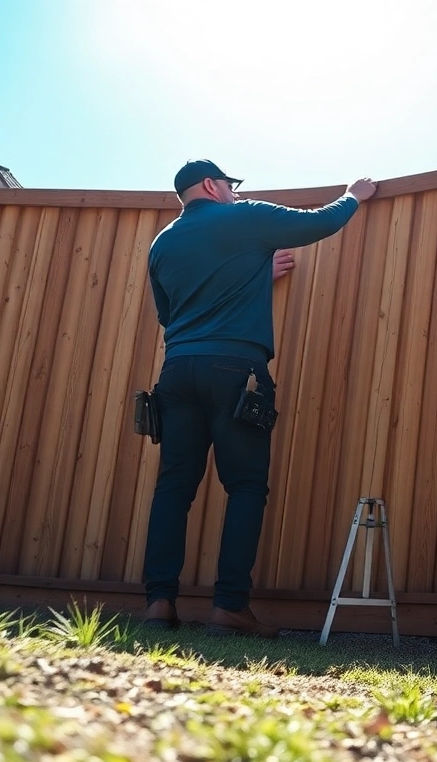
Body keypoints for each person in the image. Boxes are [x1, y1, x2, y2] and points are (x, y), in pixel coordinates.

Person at [142, 159, 378, 637]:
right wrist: (354, 195)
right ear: (212, 184)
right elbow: (319, 223)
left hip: (177, 372)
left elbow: (171, 315)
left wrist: (253, 277)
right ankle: (229, 607)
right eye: (230, 185)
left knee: (173, 489)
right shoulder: (243, 216)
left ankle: (158, 604)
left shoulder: (161, 243)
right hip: (235, 371)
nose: (234, 191)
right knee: (246, 487)